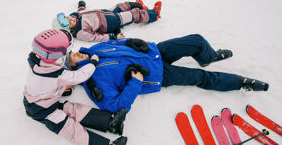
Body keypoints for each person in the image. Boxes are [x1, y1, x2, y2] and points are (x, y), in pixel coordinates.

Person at [66, 34, 269, 113]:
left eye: (73, 52)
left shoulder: (93, 50)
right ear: (75, 70)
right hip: (158, 74)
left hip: (154, 51)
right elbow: (116, 106)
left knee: (196, 41)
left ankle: (208, 57)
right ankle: (241, 82)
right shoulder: (94, 82)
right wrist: (135, 82)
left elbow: (114, 43)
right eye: (73, 59)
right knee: (200, 77)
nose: (76, 54)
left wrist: (129, 42)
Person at [23, 29, 128, 145]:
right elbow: (80, 76)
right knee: (71, 128)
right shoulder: (56, 75)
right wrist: (93, 62)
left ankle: (110, 122)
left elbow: (47, 83)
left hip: (44, 101)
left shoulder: (38, 62)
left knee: (72, 109)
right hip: (41, 110)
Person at [52, 0, 162, 42]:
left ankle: (140, 6)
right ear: (69, 29)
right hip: (111, 23)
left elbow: (81, 11)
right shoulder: (80, 32)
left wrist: (81, 6)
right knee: (133, 15)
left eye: (67, 17)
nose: (71, 18)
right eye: (70, 22)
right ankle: (154, 14)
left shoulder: (74, 15)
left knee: (122, 6)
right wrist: (113, 37)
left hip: (107, 12)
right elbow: (96, 37)